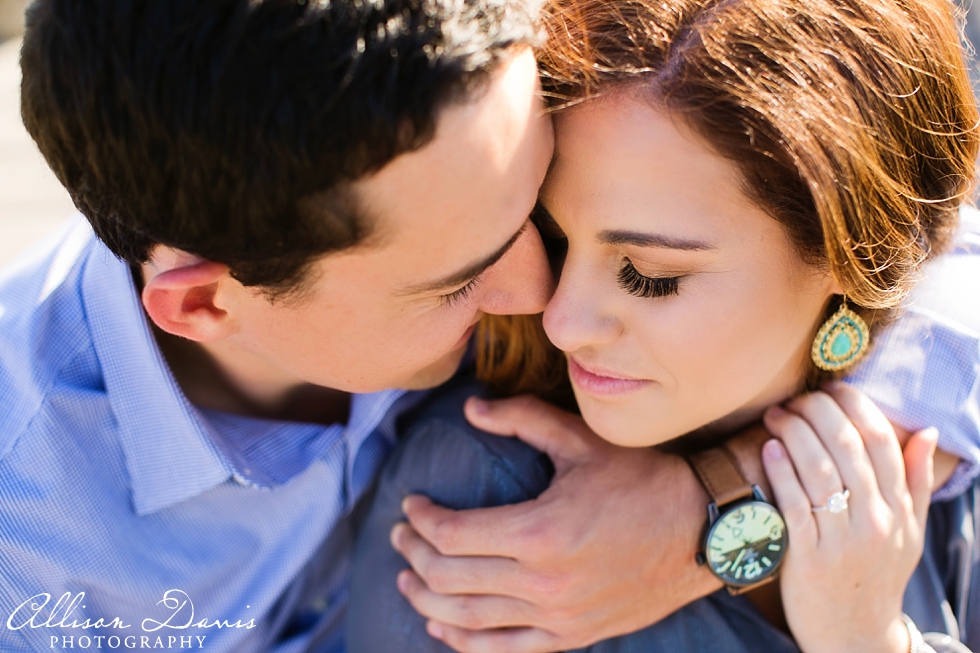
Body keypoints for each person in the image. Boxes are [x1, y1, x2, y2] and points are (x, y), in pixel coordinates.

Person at [2, 1, 976, 652]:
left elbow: (911, 212)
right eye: (468, 268)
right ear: (211, 305)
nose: (540, 300)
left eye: (534, 213)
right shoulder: (31, 553)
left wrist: (714, 511)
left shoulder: (462, 108)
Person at [347, 0, 980, 651]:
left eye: (650, 275)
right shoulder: (485, 492)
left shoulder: (938, 455)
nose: (561, 321)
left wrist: (867, 638)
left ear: (851, 251)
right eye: (553, 238)